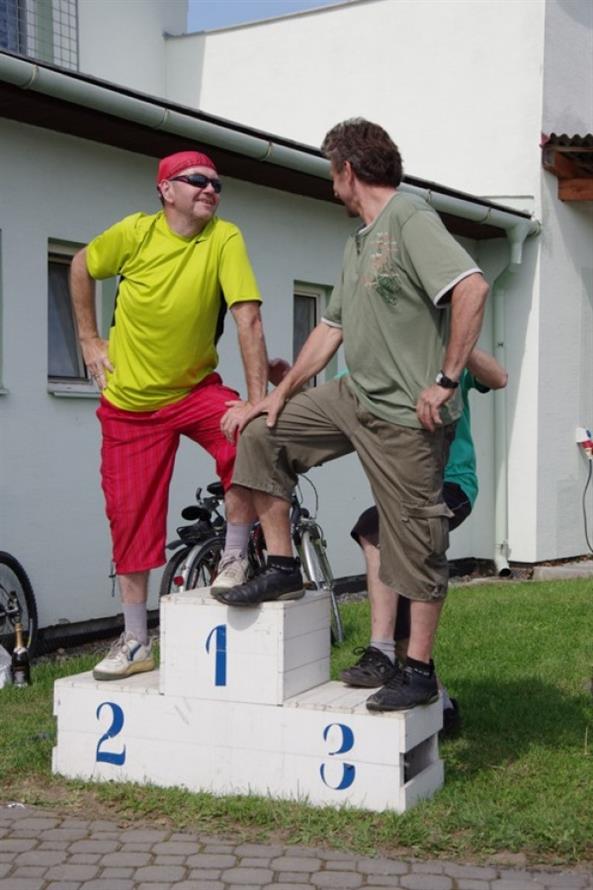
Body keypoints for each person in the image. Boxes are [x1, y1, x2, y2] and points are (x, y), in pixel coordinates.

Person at [215, 117, 490, 712]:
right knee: (263, 433)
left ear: (348, 170)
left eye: (331, 173)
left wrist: (446, 380)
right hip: (355, 396)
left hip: (406, 418)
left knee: (415, 540)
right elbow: (330, 328)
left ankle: (418, 671)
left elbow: (472, 288)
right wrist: (281, 392)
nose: (330, 185)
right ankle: (282, 565)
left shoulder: (410, 217)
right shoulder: (358, 242)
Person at [70, 150, 269, 681]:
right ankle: (136, 639)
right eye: (197, 181)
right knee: (129, 515)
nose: (210, 190)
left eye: (217, 184)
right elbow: (81, 265)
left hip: (194, 390)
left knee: (247, 436)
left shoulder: (224, 237)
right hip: (129, 407)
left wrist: (255, 399)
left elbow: (247, 317)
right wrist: (88, 338)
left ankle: (234, 557)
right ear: (166, 189)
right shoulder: (135, 234)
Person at [342, 349, 508, 726]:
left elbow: (498, 377)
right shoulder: (381, 354)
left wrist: (459, 343)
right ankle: (441, 706)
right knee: (393, 571)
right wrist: (284, 385)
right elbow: (336, 395)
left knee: (375, 529)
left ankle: (382, 651)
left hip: (452, 485)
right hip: (405, 494)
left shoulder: (445, 356)